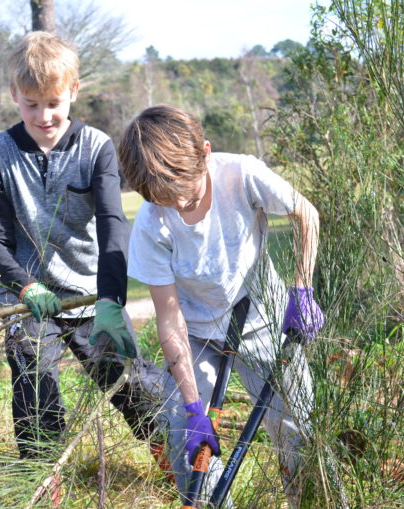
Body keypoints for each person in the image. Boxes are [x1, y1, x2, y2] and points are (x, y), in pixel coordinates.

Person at [0, 32, 168, 469]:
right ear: (14, 95)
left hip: (89, 293)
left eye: (53, 102)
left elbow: (113, 227)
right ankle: (44, 481)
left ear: (74, 92)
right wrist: (24, 287)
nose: (43, 115)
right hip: (28, 301)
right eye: (31, 103)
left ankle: (170, 457)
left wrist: (110, 301)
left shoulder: (96, 147)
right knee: (35, 396)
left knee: (132, 385)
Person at [120, 105, 323, 507]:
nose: (177, 205)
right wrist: (195, 407)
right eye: (164, 199)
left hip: (264, 321)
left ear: (206, 153)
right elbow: (169, 316)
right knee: (184, 437)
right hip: (196, 334)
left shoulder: (242, 174)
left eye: (186, 193)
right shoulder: (150, 224)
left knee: (297, 430)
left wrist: (302, 290)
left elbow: (307, 214)